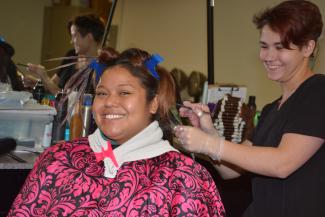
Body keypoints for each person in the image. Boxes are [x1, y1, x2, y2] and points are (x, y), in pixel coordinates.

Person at [8, 48, 225, 216]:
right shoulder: (57, 159)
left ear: (153, 104)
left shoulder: (183, 178)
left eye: (124, 92)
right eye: (102, 93)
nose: (110, 102)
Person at [174, 1, 325, 217]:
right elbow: (231, 171)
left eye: (280, 47)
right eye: (264, 46)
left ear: (308, 48)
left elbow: (282, 163)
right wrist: (209, 134)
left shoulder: (318, 92)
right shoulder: (271, 110)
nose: (268, 56)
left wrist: (211, 144)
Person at [26, 13, 105, 94]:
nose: (71, 41)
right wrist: (37, 83)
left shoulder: (101, 68)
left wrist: (44, 77)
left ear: (89, 37)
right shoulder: (71, 55)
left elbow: (66, 99)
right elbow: (53, 84)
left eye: (74, 36)